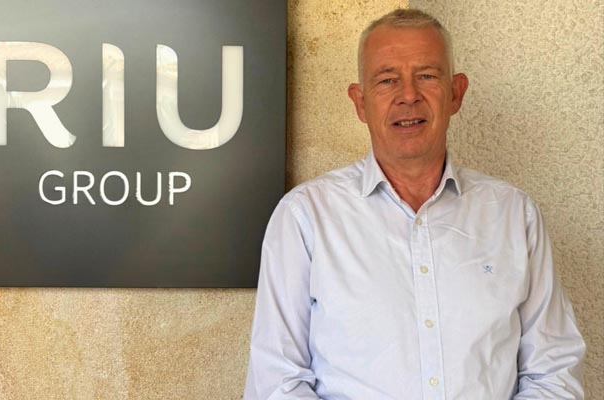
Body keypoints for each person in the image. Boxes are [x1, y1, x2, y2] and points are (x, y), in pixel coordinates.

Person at [244, 8, 585, 400]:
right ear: (360, 102)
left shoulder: (514, 216)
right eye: (387, 80)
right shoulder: (306, 217)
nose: (408, 95)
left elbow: (554, 370)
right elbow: (277, 382)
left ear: (456, 93)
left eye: (427, 76)